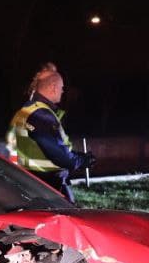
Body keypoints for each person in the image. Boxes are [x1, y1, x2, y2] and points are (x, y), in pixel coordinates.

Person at [7, 66, 94, 202]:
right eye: (62, 87)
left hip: (31, 183)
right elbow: (60, 156)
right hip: (49, 188)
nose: (63, 91)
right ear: (53, 87)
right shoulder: (41, 115)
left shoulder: (28, 109)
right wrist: (83, 160)